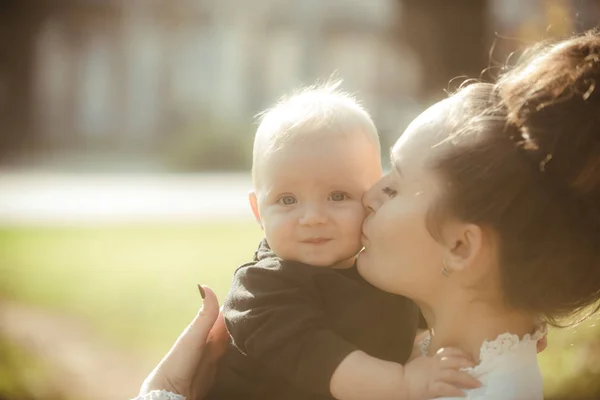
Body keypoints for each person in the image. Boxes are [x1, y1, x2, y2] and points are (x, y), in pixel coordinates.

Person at [135, 31, 599, 400]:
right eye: (288, 200)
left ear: (461, 247)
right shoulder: (268, 286)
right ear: (259, 210)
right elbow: (320, 352)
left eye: (394, 181)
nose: (371, 196)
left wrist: (164, 393)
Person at [205, 83, 479, 400]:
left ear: (373, 195)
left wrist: (501, 331)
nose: (312, 217)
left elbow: (439, 306)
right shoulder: (262, 290)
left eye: (338, 196)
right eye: (287, 199)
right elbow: (324, 361)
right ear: (258, 211)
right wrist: (404, 383)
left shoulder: (382, 268)